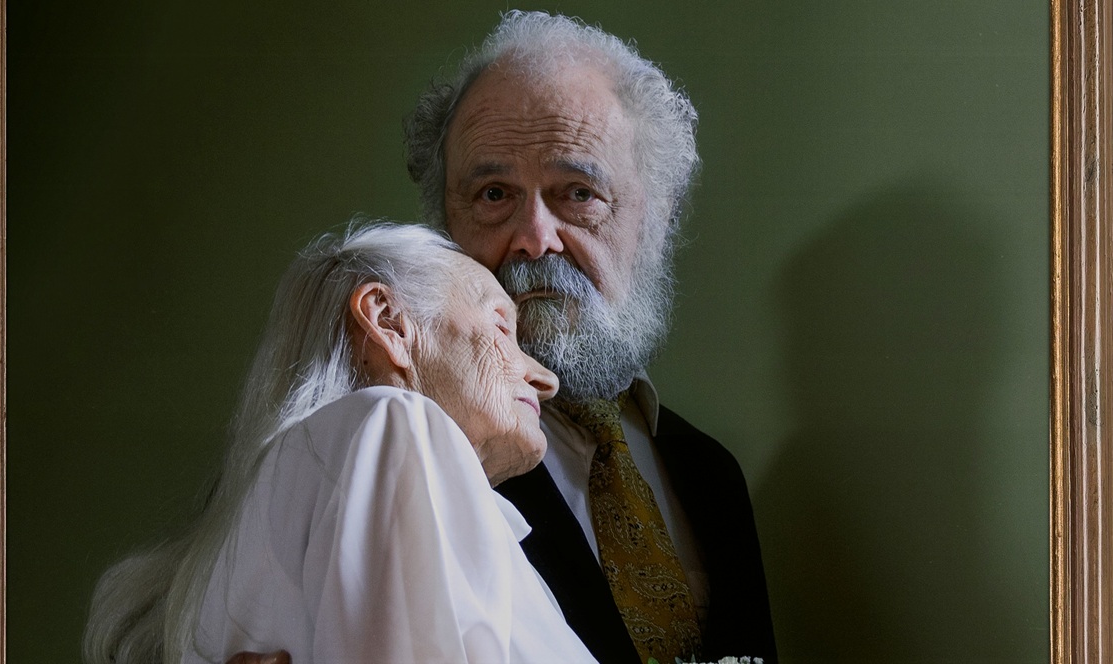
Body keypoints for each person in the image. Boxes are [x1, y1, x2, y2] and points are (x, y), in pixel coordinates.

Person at [403, 11, 778, 663]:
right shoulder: (398, 460)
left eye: (577, 193)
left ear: (658, 215)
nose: (534, 237)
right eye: (493, 194)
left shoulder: (711, 474)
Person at [83, 222, 598, 664]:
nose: (545, 379)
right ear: (388, 321)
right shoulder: (391, 423)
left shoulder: (323, 474)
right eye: (502, 329)